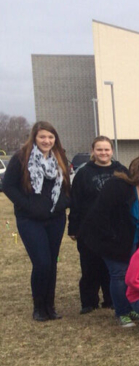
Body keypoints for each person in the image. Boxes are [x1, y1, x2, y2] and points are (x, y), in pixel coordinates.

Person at [80, 154, 139, 327]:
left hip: (134, 241)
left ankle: (129, 306)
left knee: (131, 276)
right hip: (111, 241)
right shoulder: (118, 185)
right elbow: (100, 214)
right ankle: (121, 312)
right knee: (119, 275)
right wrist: (112, 238)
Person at [3, 121, 70, 321]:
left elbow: (66, 186)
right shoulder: (21, 158)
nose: (47, 141)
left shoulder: (59, 158)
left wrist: (62, 204)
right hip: (30, 220)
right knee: (41, 262)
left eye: (50, 137)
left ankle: (50, 306)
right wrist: (29, 205)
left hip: (55, 219)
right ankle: (38, 306)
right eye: (42, 137)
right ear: (35, 137)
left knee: (52, 263)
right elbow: (8, 186)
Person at [68, 136, 127, 314]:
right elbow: (75, 201)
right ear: (93, 151)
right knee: (89, 266)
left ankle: (110, 299)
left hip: (114, 227)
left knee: (111, 267)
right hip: (89, 228)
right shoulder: (84, 173)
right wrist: (73, 227)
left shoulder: (121, 171)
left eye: (107, 149)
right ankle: (89, 301)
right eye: (99, 149)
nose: (103, 153)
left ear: (112, 151)